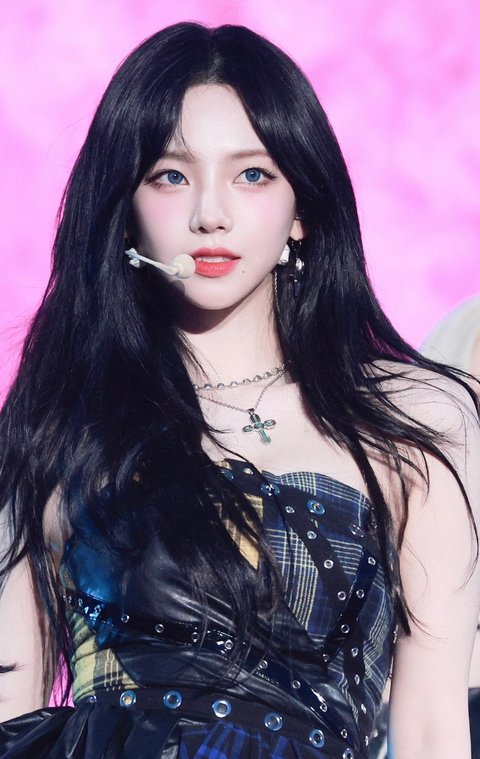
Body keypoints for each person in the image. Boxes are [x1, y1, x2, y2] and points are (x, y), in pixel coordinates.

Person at [0, 22, 479, 759]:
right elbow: (13, 704)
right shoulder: (60, 423)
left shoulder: (415, 420)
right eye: (171, 175)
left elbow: (429, 729)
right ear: (124, 206)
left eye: (252, 174)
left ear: (302, 209)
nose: (210, 214)